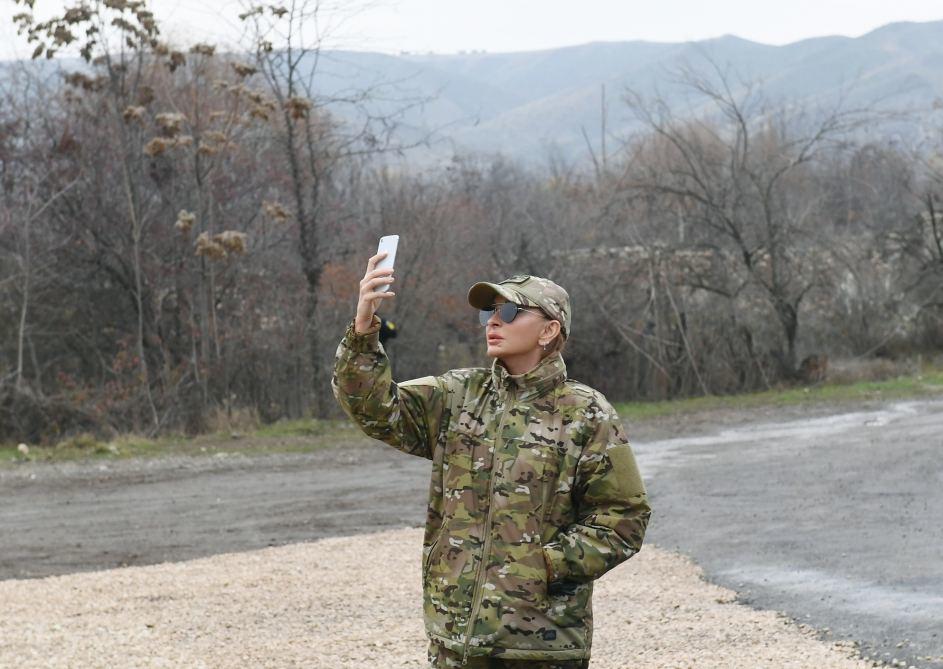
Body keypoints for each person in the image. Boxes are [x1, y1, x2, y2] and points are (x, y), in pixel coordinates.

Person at [331, 252, 651, 669]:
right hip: (454, 641)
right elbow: (374, 408)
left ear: (549, 330)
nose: (494, 321)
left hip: (539, 647)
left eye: (510, 311)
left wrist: (543, 565)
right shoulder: (459, 394)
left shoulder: (584, 412)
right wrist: (363, 327)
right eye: (490, 312)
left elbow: (624, 519)